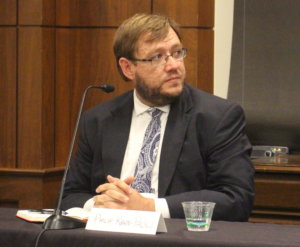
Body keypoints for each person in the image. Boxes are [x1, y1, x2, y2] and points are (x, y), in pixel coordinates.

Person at [61, 13, 255, 221]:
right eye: (157, 57)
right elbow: (69, 196)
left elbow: (236, 199)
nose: (173, 65)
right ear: (128, 68)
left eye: (177, 53)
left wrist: (149, 207)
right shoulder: (99, 120)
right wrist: (101, 203)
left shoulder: (218, 117)